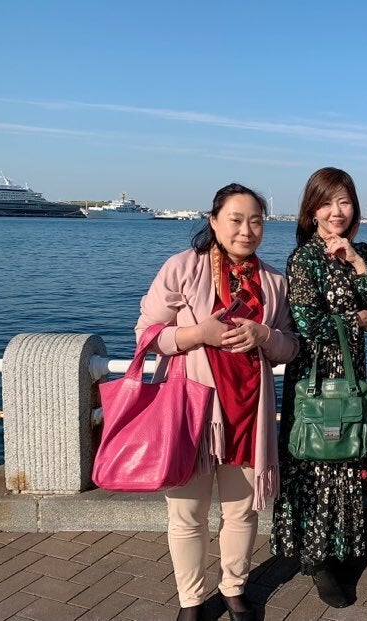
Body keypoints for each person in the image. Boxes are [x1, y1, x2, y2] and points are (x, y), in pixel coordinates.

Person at [136, 183, 299, 621]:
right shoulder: (182, 267)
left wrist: (266, 335)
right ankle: (190, 601)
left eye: (256, 221)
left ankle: (233, 589)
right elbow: (147, 334)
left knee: (241, 512)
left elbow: (290, 347)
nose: (247, 230)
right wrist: (198, 334)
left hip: (248, 410)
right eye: (236, 220)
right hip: (193, 411)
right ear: (213, 221)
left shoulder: (273, 281)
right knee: (187, 514)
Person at [272, 167, 367, 608]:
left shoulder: (363, 252)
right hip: (315, 377)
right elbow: (308, 323)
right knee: (315, 460)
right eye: (326, 203)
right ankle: (316, 558)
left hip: (351, 375)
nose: (336, 211)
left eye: (344, 201)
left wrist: (356, 262)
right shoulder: (303, 259)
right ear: (312, 210)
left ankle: (340, 549)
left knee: (346, 459)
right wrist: (355, 320)